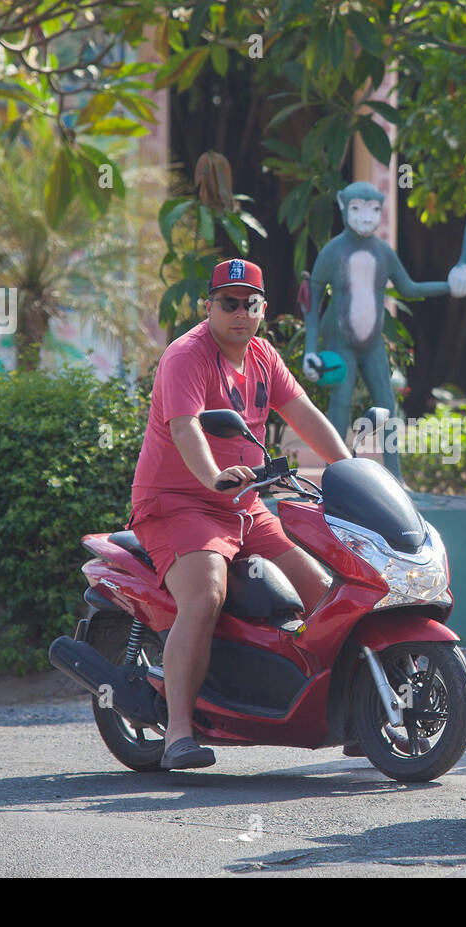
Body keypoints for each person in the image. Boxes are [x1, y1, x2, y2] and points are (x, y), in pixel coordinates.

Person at [128, 259, 352, 770]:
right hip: (179, 504)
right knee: (206, 594)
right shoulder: (187, 356)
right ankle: (178, 735)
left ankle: (353, 714)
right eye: (228, 303)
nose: (239, 313)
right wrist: (211, 477)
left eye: (249, 303)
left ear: (263, 310)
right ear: (208, 306)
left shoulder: (263, 356)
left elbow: (306, 417)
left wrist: (351, 471)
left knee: (321, 590)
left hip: (245, 505)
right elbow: (186, 429)